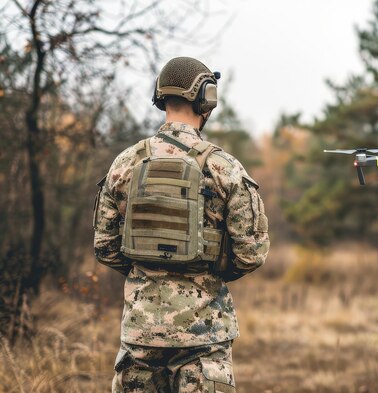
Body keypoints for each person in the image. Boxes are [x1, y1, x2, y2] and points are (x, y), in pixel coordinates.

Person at [93, 56, 270, 393]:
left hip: (140, 333)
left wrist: (148, 269)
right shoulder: (224, 167)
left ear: (161, 97)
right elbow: (251, 253)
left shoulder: (125, 164)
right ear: (207, 98)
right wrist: (211, 272)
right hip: (204, 337)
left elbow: (105, 247)